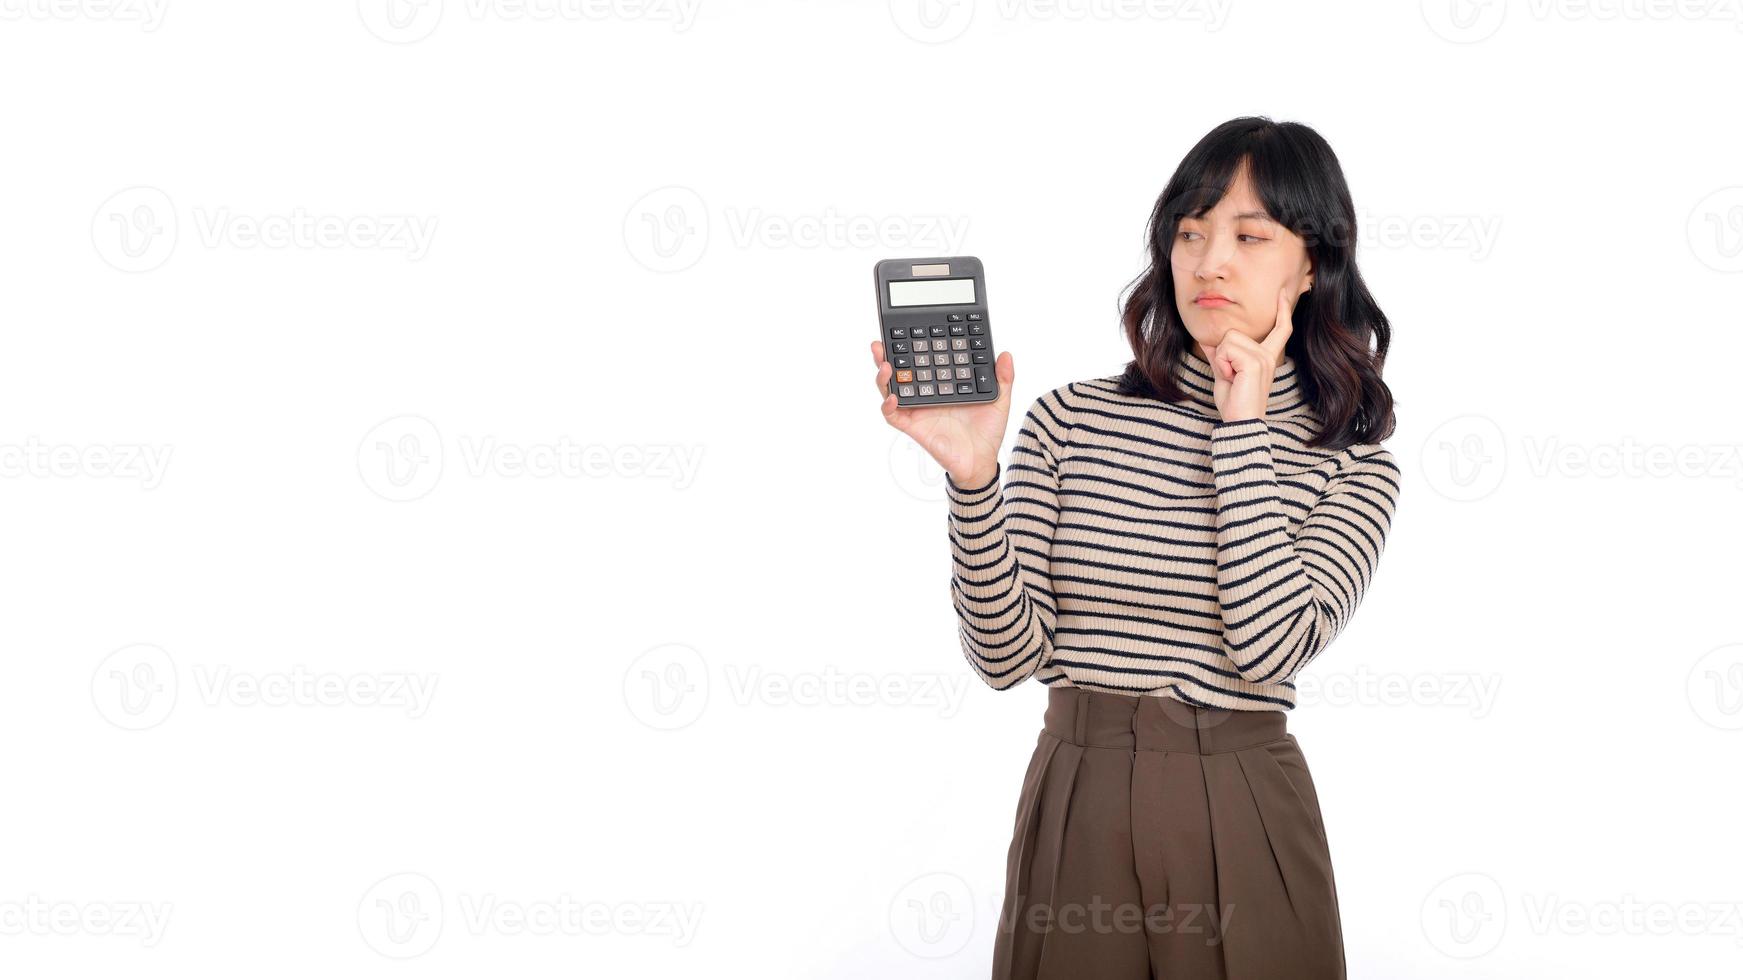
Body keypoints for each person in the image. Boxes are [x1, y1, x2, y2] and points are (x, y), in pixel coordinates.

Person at [870, 116, 1401, 979]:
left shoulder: (1352, 465)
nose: (1208, 262)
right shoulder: (1067, 418)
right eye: (1188, 234)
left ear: (1312, 264)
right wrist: (974, 482)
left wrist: (1241, 427)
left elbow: (1267, 647)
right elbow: (1006, 660)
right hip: (1078, 795)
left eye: (1247, 235)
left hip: (1244, 803)